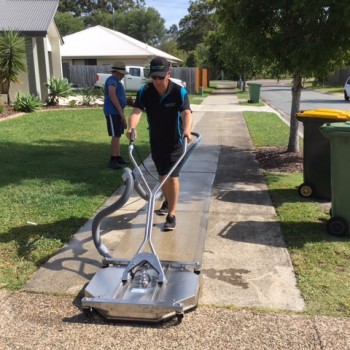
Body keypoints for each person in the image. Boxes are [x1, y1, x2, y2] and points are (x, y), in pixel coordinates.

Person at [127, 56, 192, 231]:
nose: (156, 81)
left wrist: (187, 130)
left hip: (175, 141)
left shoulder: (179, 91)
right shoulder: (145, 91)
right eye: (153, 77)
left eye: (160, 77)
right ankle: (167, 199)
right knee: (162, 174)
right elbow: (136, 111)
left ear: (168, 75)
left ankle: (172, 214)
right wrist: (131, 127)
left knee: (172, 176)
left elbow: (186, 113)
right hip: (156, 141)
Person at [103, 61, 129, 169]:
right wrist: (120, 111)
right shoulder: (112, 80)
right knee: (115, 135)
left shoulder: (117, 81)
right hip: (112, 112)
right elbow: (112, 95)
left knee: (118, 135)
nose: (123, 76)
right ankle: (113, 159)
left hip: (117, 112)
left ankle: (118, 157)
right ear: (117, 72)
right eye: (122, 74)